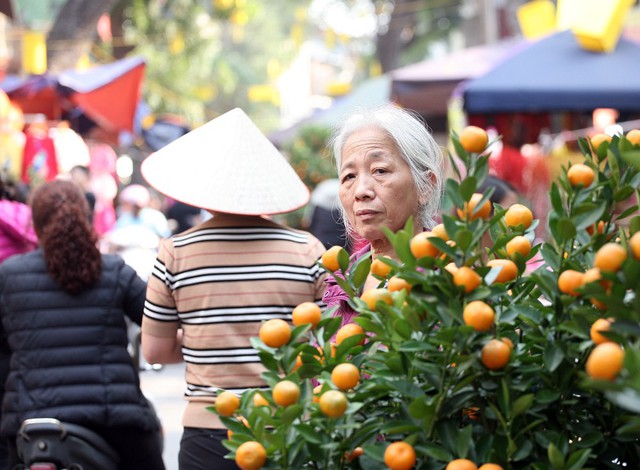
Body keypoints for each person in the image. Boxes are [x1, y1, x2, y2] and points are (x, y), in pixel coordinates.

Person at [140, 107, 328, 470]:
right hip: (290, 429)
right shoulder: (307, 250)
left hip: (208, 434)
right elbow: (329, 344)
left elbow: (156, 350)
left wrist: (204, 345)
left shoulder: (175, 252)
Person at [0, 180, 165, 470]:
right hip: (116, 419)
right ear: (85, 215)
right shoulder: (114, 270)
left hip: (28, 423)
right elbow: (157, 319)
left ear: (35, 224)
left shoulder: (7, 275)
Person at [323, 104, 443, 327]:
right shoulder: (339, 281)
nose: (361, 191)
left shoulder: (451, 279)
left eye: (380, 170)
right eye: (349, 176)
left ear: (425, 186)